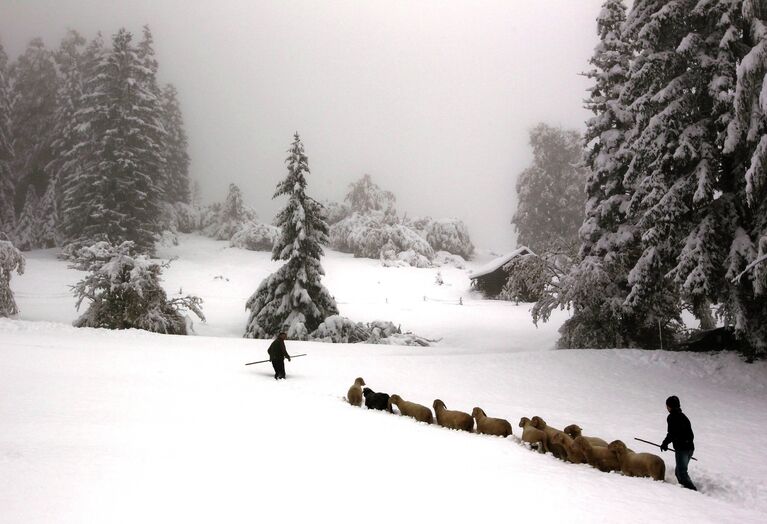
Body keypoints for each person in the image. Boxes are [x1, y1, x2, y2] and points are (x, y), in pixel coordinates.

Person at [660, 395, 697, 491]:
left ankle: (692, 491)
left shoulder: (672, 417)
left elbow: (672, 433)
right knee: (679, 471)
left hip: (682, 449)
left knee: (681, 472)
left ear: (669, 406)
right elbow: (690, 435)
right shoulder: (683, 417)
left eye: (667, 405)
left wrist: (665, 443)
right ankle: (684, 490)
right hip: (690, 448)